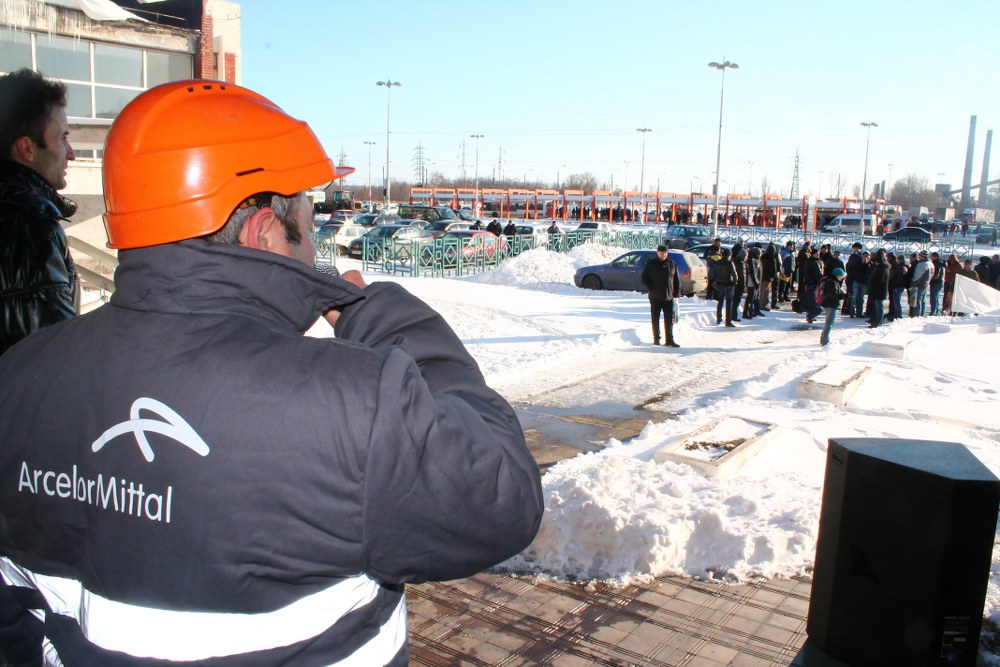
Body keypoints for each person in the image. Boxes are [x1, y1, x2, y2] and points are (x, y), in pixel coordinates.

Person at [0, 80, 543, 666]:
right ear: (264, 233)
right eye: (308, 223)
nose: (314, 247)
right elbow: (504, 498)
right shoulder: (351, 402)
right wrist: (390, 320)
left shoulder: (18, 377)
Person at [0, 68, 80, 355]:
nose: (70, 153)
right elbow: (57, 355)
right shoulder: (29, 225)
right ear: (27, 149)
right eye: (62, 138)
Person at [641, 245, 681, 347]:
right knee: (655, 319)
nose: (663, 254)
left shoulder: (672, 264)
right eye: (661, 252)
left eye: (665, 253)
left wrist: (676, 294)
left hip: (668, 297)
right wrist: (651, 288)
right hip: (655, 297)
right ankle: (656, 339)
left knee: (669, 320)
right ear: (657, 253)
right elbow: (644, 278)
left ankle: (669, 340)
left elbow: (677, 281)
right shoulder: (651, 264)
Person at [819, 267, 848, 346]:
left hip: (827, 304)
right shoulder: (832, 282)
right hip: (830, 305)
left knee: (828, 322)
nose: (842, 278)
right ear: (837, 275)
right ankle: (825, 340)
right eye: (841, 276)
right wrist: (844, 296)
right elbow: (834, 295)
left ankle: (823, 338)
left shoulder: (830, 280)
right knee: (829, 323)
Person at [714, 247, 737, 327]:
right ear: (730, 255)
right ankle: (728, 321)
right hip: (728, 284)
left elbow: (714, 273)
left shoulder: (717, 262)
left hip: (720, 283)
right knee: (729, 302)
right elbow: (734, 275)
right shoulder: (730, 263)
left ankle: (719, 318)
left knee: (720, 301)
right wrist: (734, 283)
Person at [800, 247, 825, 324]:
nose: (818, 254)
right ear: (812, 254)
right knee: (812, 299)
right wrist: (808, 282)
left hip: (818, 282)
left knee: (815, 299)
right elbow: (807, 273)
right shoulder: (809, 261)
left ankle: (811, 314)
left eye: (818, 253)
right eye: (816, 253)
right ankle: (811, 314)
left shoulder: (819, 261)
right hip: (812, 282)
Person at [867, 252, 890, 328]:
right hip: (877, 291)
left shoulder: (882, 269)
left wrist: (872, 283)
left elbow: (879, 281)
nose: (875, 263)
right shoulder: (881, 268)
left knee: (879, 307)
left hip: (879, 291)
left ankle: (878, 322)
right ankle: (876, 321)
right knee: (878, 307)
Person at [910, 250, 933, 317]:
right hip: (926, 284)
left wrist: (912, 283)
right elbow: (932, 274)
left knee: (917, 300)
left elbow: (917, 276)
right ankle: (922, 314)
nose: (918, 257)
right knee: (923, 300)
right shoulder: (930, 263)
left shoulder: (922, 265)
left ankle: (917, 315)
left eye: (919, 255)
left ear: (922, 256)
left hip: (919, 285)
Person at [928, 251, 946, 316]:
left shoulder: (936, 263)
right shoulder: (940, 263)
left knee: (934, 297)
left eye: (932, 256)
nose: (930, 257)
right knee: (936, 297)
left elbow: (936, 274)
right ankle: (936, 311)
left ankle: (933, 312)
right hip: (940, 281)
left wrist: (930, 279)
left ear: (935, 257)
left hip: (936, 282)